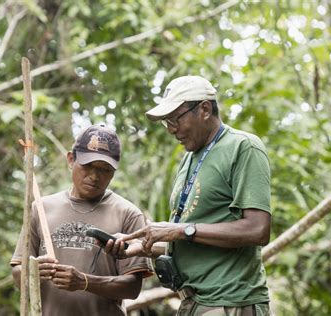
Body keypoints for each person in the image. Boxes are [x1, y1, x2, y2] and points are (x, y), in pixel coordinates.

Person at [107, 75, 272, 315]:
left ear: (204, 109)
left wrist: (178, 230)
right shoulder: (189, 158)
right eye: (166, 122)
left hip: (230, 303)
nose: (172, 129)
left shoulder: (243, 147)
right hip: (194, 303)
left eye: (175, 119)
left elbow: (258, 230)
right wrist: (138, 246)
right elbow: (193, 239)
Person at [10, 125, 153, 316]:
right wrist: (32, 272)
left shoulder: (128, 214)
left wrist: (84, 282)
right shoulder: (41, 208)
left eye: (105, 170)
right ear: (71, 159)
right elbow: (18, 275)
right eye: (88, 166)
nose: (95, 177)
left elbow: (132, 288)